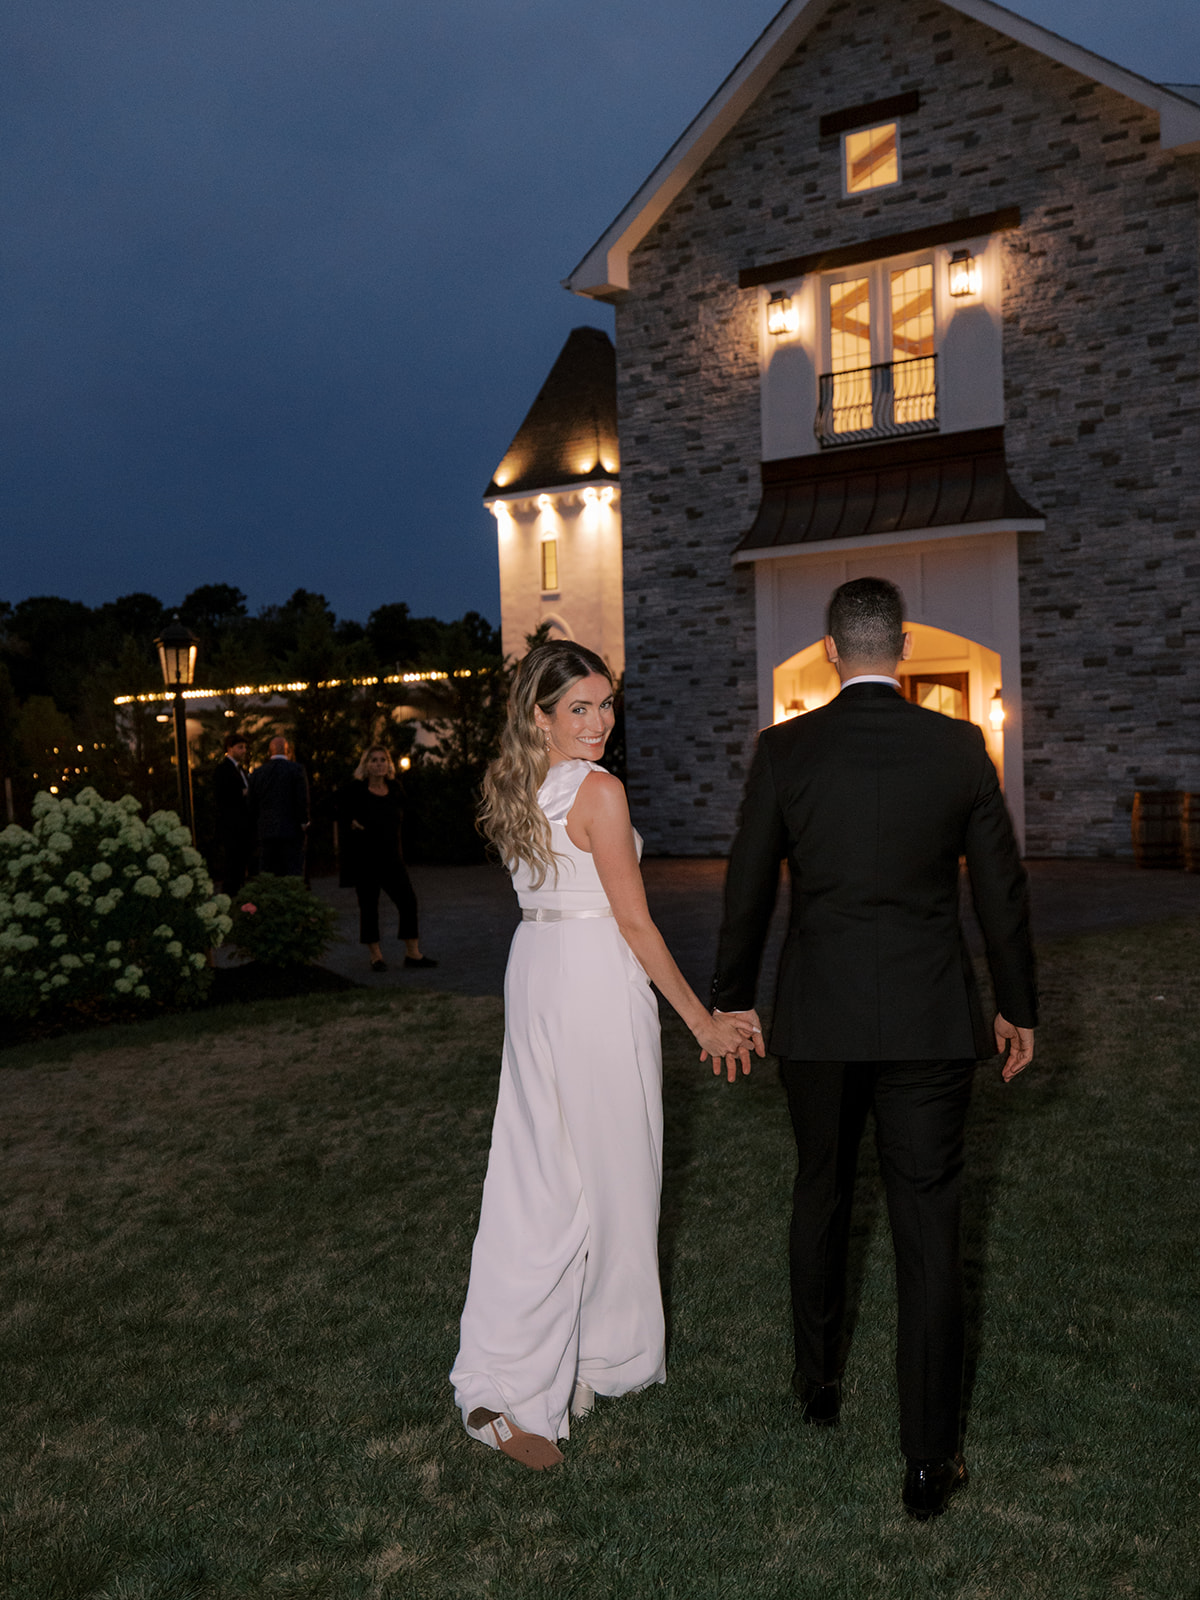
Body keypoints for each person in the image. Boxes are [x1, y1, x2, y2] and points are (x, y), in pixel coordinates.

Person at [710, 577, 1037, 1521]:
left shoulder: (784, 751)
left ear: (827, 649)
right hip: (931, 1017)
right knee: (927, 1224)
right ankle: (930, 1462)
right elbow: (1003, 894)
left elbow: (745, 893)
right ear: (897, 648)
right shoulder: (957, 744)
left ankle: (818, 1388)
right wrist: (1017, 1007)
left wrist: (733, 999)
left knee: (822, 1186)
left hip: (817, 1015)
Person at [450, 640, 753, 1470]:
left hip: (535, 970)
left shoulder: (513, 783)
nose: (600, 722)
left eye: (606, 704)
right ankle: (606, 1357)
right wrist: (702, 1022)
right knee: (617, 1171)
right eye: (579, 708)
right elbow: (635, 923)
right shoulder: (600, 791)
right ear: (541, 715)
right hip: (589, 979)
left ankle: (541, 1355)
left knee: (539, 1169)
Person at [338, 745, 435, 973]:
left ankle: (413, 953)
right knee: (369, 908)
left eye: (383, 760)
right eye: (374, 760)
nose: (379, 764)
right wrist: (349, 822)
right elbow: (329, 807)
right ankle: (376, 956)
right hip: (366, 861)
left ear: (388, 764)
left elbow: (406, 816)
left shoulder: (395, 788)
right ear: (366, 765)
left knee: (408, 902)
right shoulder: (356, 790)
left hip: (392, 859)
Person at [247, 735, 309, 877]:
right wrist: (304, 821)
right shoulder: (296, 769)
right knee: (292, 870)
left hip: (267, 829)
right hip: (291, 829)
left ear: (270, 751)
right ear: (287, 750)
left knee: (268, 871)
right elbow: (301, 798)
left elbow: (252, 803)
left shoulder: (258, 773)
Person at [213, 730, 252, 895]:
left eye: (244, 747)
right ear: (230, 748)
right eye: (240, 747)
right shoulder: (223, 769)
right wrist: (242, 792)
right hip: (232, 825)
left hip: (242, 824)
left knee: (240, 862)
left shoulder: (240, 769)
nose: (243, 751)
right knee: (233, 862)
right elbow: (222, 795)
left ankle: (238, 891)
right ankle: (231, 893)